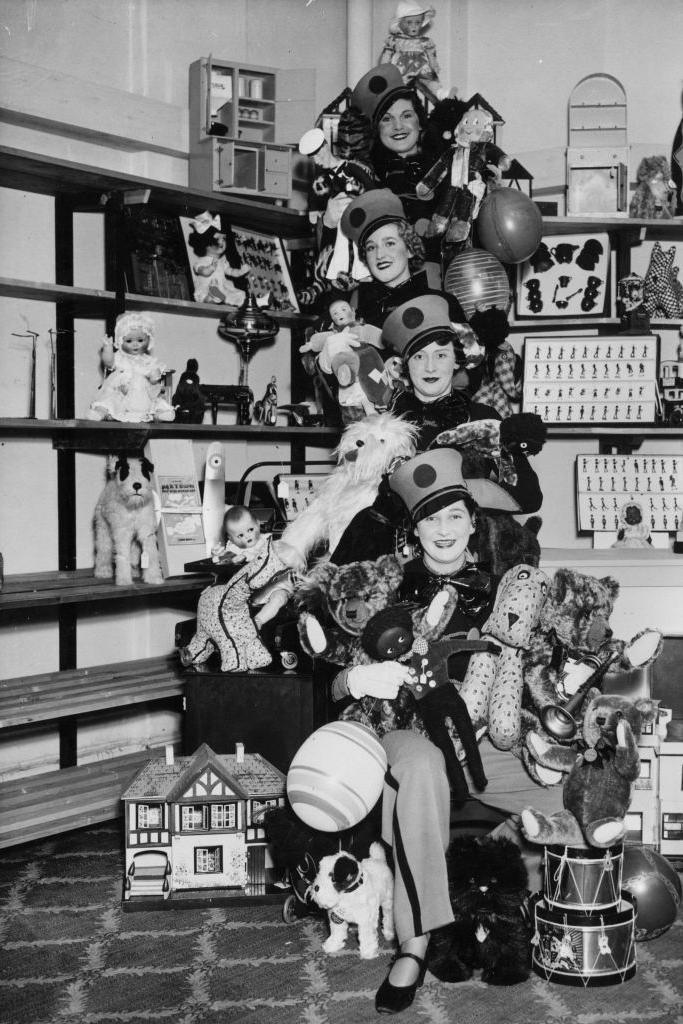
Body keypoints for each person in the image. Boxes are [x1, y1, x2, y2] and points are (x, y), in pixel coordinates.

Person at [328, 449, 562, 1013]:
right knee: (422, 768)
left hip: (487, 740)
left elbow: (538, 674)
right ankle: (415, 944)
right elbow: (332, 680)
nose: (443, 530)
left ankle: (484, 876)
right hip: (408, 733)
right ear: (413, 531)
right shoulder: (386, 585)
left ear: (472, 522)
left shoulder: (507, 590)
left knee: (571, 791)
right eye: (430, 519)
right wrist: (359, 676)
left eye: (454, 515)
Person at [340, 189, 468, 328]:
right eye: (371, 247)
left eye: (390, 243)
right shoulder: (354, 313)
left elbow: (470, 348)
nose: (379, 255)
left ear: (409, 249)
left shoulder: (444, 304)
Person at [87, 311, 175, 423]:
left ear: (148, 340)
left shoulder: (148, 361)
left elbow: (154, 377)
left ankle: (161, 415)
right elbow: (108, 362)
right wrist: (107, 348)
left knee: (157, 403)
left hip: (143, 396)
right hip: (122, 394)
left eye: (140, 340)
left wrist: (154, 376)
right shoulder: (120, 357)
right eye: (129, 341)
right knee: (109, 402)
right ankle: (100, 413)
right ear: (120, 341)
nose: (135, 344)